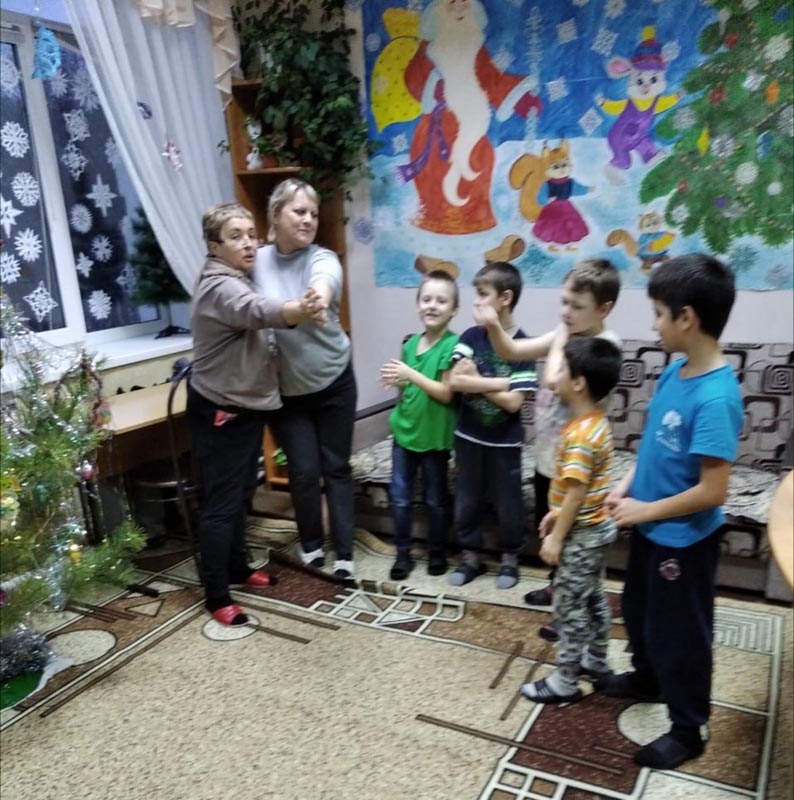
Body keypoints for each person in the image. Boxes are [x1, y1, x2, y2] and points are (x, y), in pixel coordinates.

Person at [600, 254, 743, 770]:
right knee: (640, 612)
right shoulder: (675, 373)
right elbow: (653, 449)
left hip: (683, 540)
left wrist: (643, 511)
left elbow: (713, 491)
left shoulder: (716, 397)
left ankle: (689, 727)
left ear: (687, 318)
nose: (653, 324)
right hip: (650, 527)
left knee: (680, 634)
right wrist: (625, 487)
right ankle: (648, 679)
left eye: (659, 313)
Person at [188, 202, 324, 626]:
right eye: (236, 236)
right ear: (214, 246)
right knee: (221, 505)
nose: (248, 243)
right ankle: (216, 595)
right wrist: (300, 310)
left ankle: (237, 568)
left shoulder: (238, 276)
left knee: (241, 494)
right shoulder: (220, 286)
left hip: (244, 407)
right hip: (222, 410)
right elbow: (256, 310)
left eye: (251, 234)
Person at [474, 259, 621, 639]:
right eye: (564, 302)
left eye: (576, 306)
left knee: (574, 543)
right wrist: (494, 326)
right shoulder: (567, 332)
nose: (566, 312)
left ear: (603, 309)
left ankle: (573, 610)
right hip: (548, 461)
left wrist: (559, 339)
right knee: (551, 530)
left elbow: (555, 380)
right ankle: (559, 590)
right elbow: (511, 350)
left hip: (577, 468)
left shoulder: (603, 346)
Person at [253, 179, 357, 579]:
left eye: (313, 213)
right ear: (276, 215)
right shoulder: (256, 261)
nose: (309, 220)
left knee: (336, 468)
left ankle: (344, 553)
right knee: (302, 471)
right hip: (288, 393)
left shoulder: (323, 257)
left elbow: (323, 281)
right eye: (299, 211)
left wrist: (317, 298)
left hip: (334, 381)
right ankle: (312, 546)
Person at [520, 336, 622, 703]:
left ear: (578, 383)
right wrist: (555, 512)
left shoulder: (580, 436)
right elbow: (582, 488)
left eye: (561, 368)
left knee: (568, 605)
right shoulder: (594, 423)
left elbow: (577, 493)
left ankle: (565, 680)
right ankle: (597, 660)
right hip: (592, 528)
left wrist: (556, 537)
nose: (555, 374)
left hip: (580, 534)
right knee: (592, 597)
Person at [397, 0, 542, 234]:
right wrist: (432, 84)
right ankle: (436, 219)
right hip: (436, 128)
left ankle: (476, 219)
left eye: (464, 3)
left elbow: (491, 79)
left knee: (480, 161)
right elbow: (412, 78)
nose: (459, 7)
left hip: (471, 124)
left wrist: (519, 98)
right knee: (434, 167)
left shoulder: (475, 48)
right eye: (452, 3)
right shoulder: (428, 51)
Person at [447, 261, 537, 589]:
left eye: (483, 295)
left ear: (505, 298)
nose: (476, 302)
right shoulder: (471, 337)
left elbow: (514, 403)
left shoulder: (523, 346)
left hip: (504, 443)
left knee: (509, 503)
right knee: (466, 500)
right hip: (468, 438)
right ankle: (470, 557)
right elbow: (455, 382)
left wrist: (478, 379)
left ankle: (510, 559)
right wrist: (502, 383)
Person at [380, 270, 459, 581]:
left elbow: (446, 392)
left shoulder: (454, 345)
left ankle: (437, 551)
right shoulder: (410, 343)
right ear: (417, 305)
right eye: (426, 299)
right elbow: (407, 388)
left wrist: (409, 375)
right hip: (403, 434)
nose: (432, 305)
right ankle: (403, 553)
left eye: (441, 300)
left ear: (453, 310)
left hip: (435, 439)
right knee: (399, 498)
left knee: (436, 500)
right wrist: (397, 381)